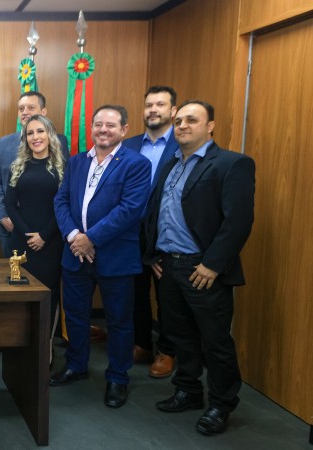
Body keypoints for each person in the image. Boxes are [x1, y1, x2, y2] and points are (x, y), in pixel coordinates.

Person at [143, 100, 255, 436]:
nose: (183, 126)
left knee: (215, 340)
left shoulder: (232, 164)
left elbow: (238, 222)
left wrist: (212, 264)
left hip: (202, 269)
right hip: (169, 266)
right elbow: (155, 213)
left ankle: (221, 403)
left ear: (211, 126)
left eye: (192, 120)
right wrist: (153, 257)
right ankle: (188, 390)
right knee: (180, 336)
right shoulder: (171, 165)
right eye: (179, 121)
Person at [51, 105, 151, 409]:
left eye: (110, 125)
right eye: (98, 124)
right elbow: (61, 200)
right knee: (77, 315)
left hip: (116, 258)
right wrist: (73, 238)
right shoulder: (77, 161)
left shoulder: (136, 164)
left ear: (123, 129)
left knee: (119, 320)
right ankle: (76, 365)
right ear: (91, 128)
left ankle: (117, 378)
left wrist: (89, 238)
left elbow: (129, 210)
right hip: (76, 256)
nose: (103, 130)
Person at [122, 86, 180, 378]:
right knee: (135, 292)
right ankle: (142, 343)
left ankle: (167, 350)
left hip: (165, 235)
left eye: (160, 104)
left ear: (173, 111)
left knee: (166, 294)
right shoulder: (130, 145)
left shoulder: (181, 146)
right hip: (132, 232)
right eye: (148, 105)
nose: (153, 110)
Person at [4, 114, 65, 342]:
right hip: (21, 243)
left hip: (50, 243)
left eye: (40, 131)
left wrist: (44, 235)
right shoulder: (18, 167)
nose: (35, 137)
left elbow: (63, 206)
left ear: (49, 135)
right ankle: (22, 346)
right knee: (20, 296)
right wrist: (28, 234)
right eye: (30, 133)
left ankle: (45, 348)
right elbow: (10, 204)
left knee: (48, 296)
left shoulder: (61, 168)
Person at [0, 92, 68, 258]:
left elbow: (64, 198)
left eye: (31, 107)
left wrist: (45, 234)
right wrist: (4, 217)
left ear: (43, 112)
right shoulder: (6, 147)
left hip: (51, 233)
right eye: (21, 108)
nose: (25, 112)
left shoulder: (61, 147)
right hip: (16, 229)